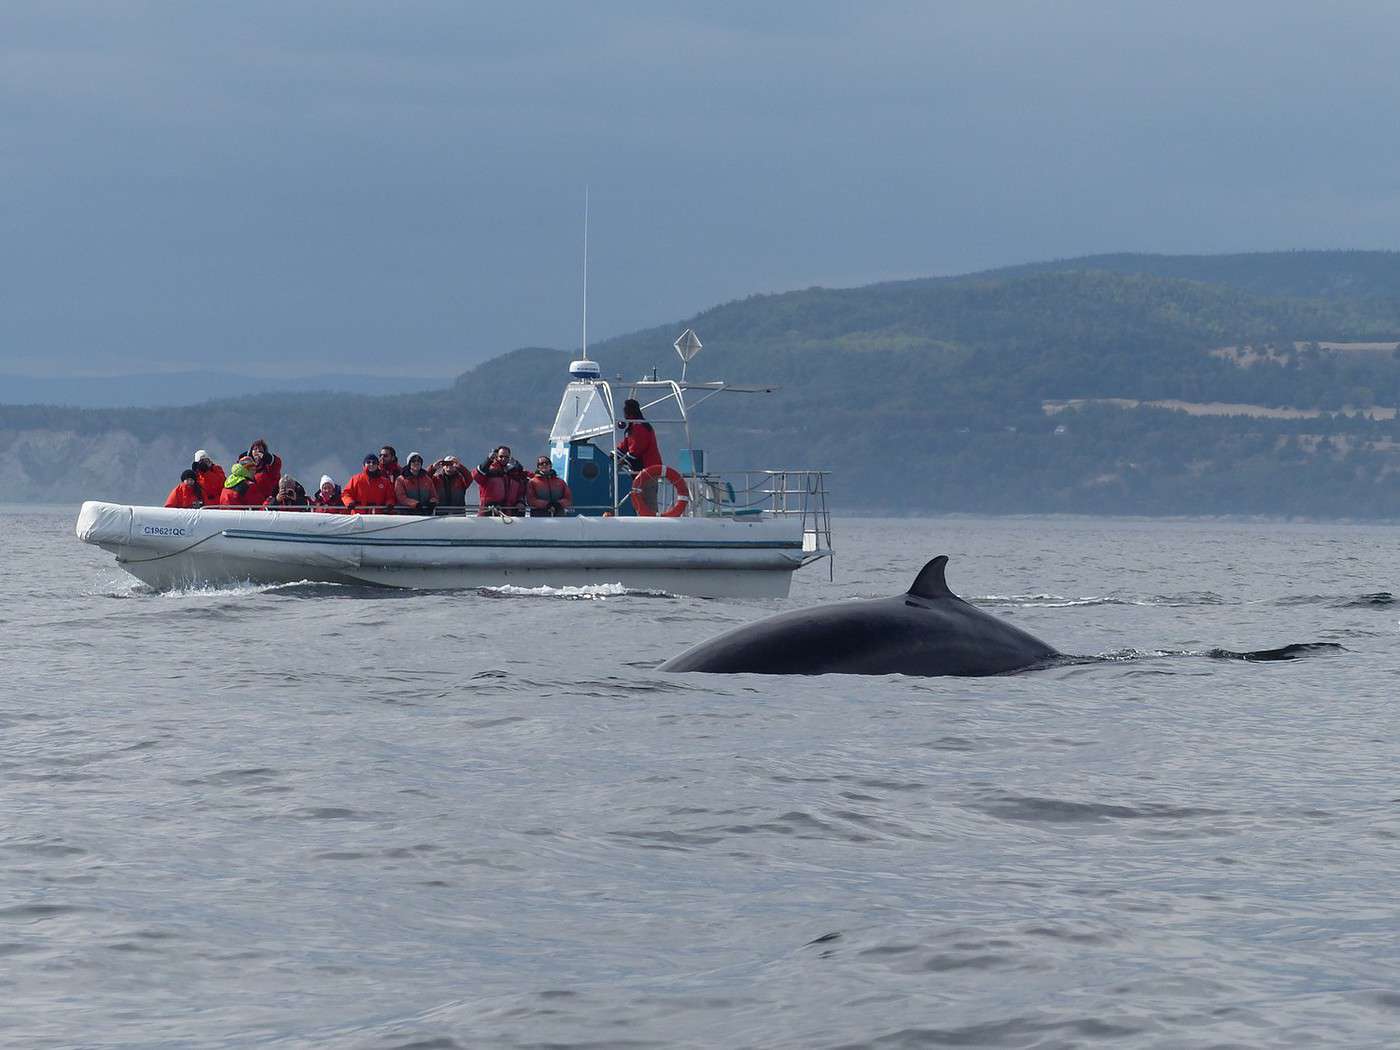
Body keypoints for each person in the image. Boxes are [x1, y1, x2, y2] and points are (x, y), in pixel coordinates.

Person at [616, 397, 663, 511]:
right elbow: (625, 445)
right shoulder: (632, 427)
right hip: (639, 472)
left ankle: (653, 523)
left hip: (648, 471)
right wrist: (614, 455)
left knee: (648, 501)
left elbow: (636, 450)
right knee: (639, 501)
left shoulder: (640, 426)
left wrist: (621, 461)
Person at [473, 446, 528, 516]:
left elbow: (521, 491)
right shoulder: (488, 470)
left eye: (506, 457)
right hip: (489, 514)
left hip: (509, 515)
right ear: (496, 457)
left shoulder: (515, 474)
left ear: (510, 458)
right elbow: (476, 476)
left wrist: (520, 502)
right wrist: (488, 460)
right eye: (501, 456)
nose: (503, 459)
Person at [242, 438, 283, 505]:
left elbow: (276, 464)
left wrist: (267, 457)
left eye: (260, 450)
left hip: (265, 504)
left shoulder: (268, 469)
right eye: (255, 449)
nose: (257, 452)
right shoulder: (244, 467)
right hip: (248, 503)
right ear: (251, 452)